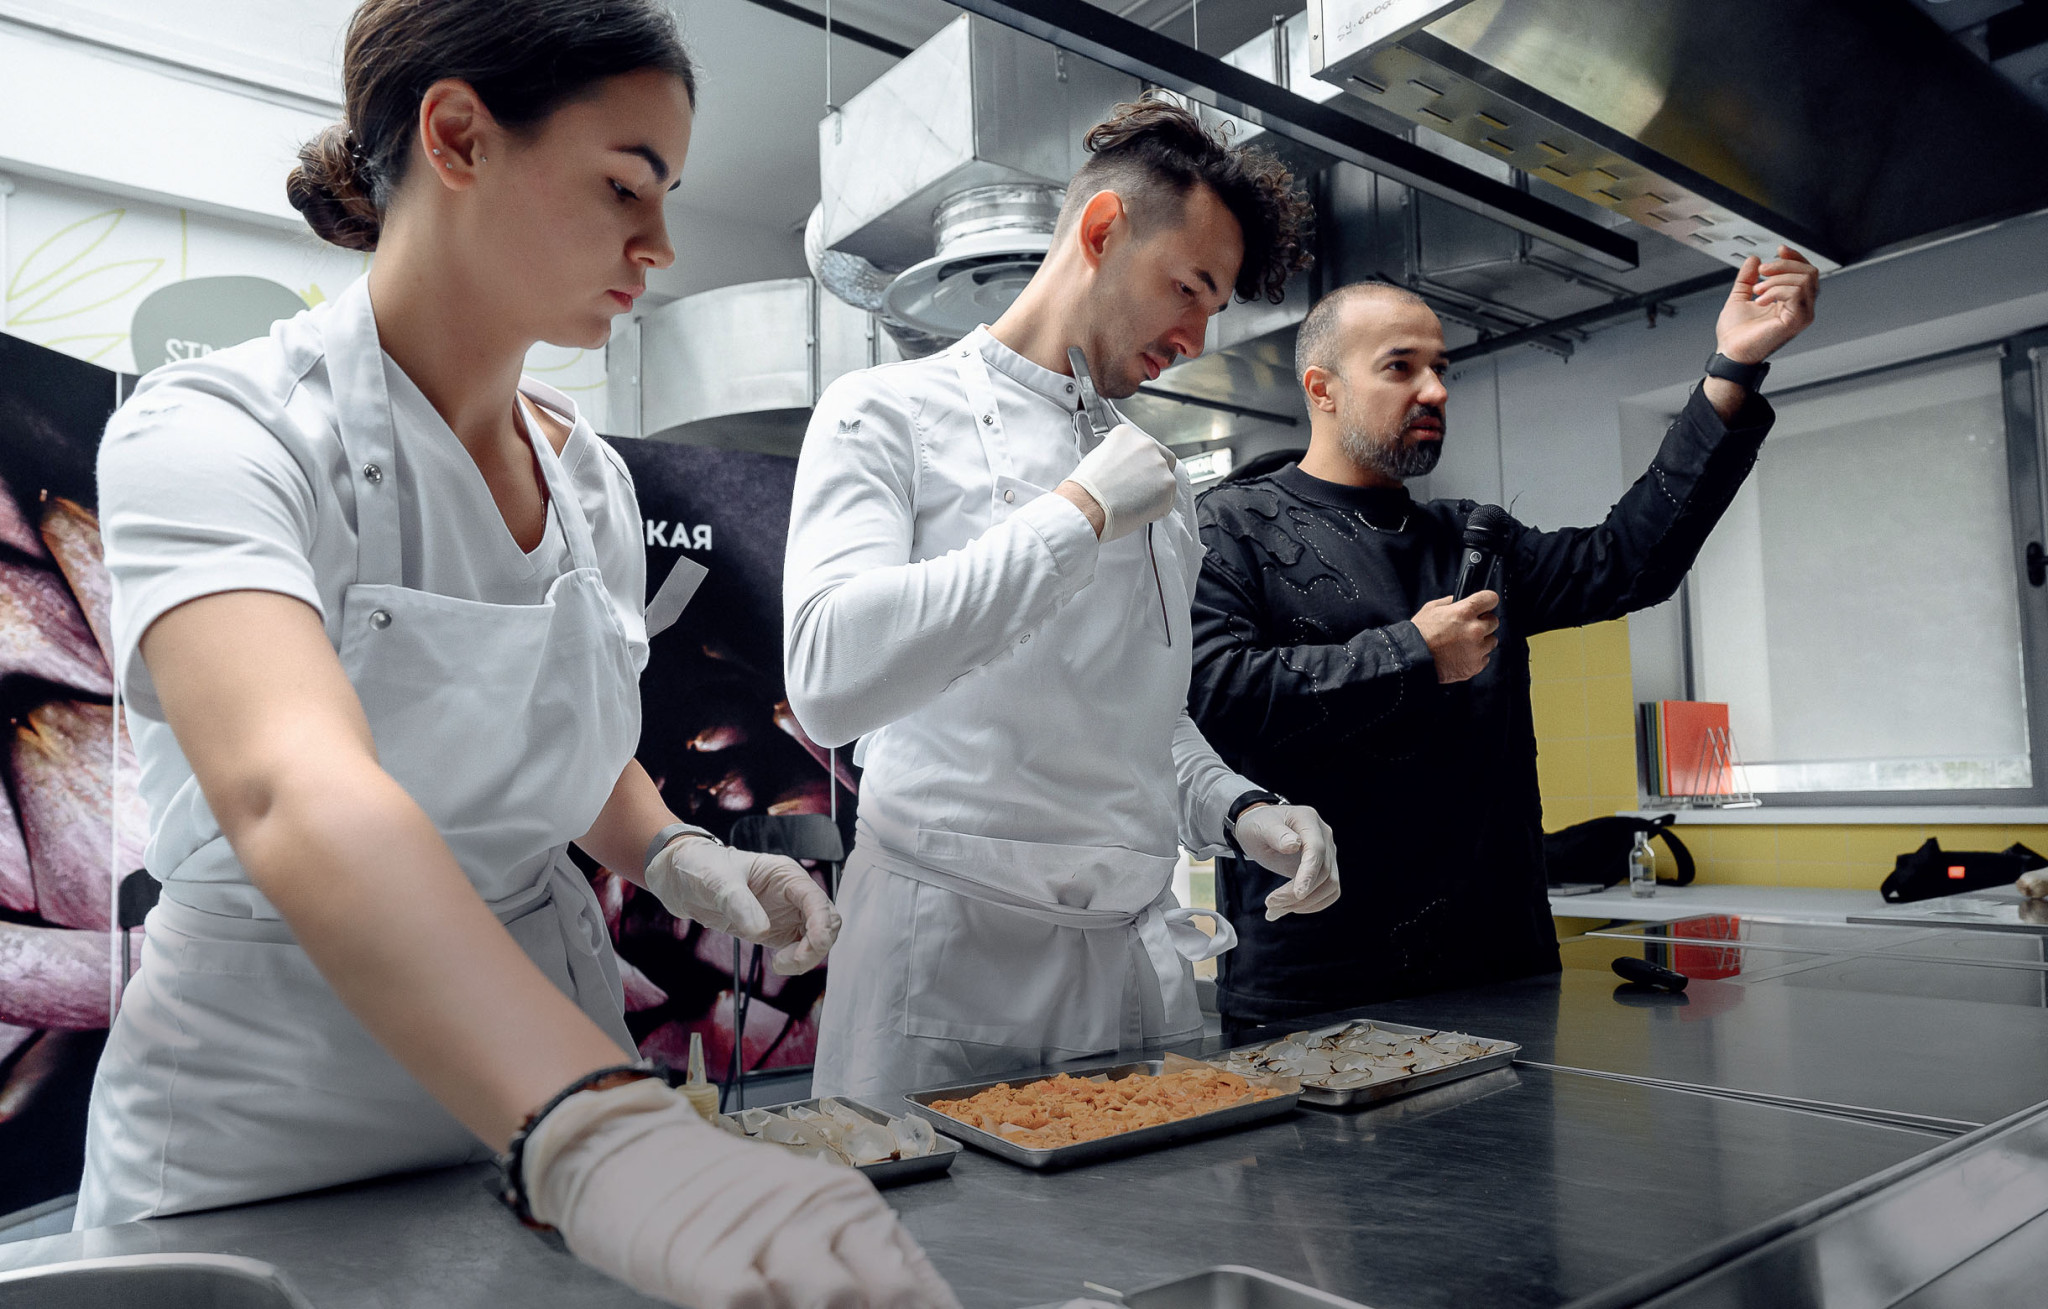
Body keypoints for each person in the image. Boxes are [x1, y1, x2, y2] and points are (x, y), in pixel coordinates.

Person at [76, 3, 955, 1307]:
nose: (659, 246)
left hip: (550, 1061)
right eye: (623, 187)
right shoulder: (219, 432)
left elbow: (562, 745)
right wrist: (602, 1126)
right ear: (458, 137)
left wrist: (681, 856)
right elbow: (290, 788)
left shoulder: (589, 483)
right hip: (276, 1118)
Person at [784, 96, 1340, 1101]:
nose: (1194, 334)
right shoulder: (886, 413)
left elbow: (1139, 718)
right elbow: (828, 677)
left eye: (1213, 309)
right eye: (1187, 287)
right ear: (1101, 230)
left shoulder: (1157, 480)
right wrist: (1076, 514)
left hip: (1129, 963)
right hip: (946, 953)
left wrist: (1239, 808)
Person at [1189, 252, 1819, 1026]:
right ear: (1323, 388)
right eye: (1401, 367)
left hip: (1499, 964)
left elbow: (1627, 562)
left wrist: (1733, 366)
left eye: (1441, 369)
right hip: (1312, 981)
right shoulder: (1230, 527)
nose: (1435, 390)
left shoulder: (1472, 540)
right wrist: (1414, 653)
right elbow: (1215, 692)